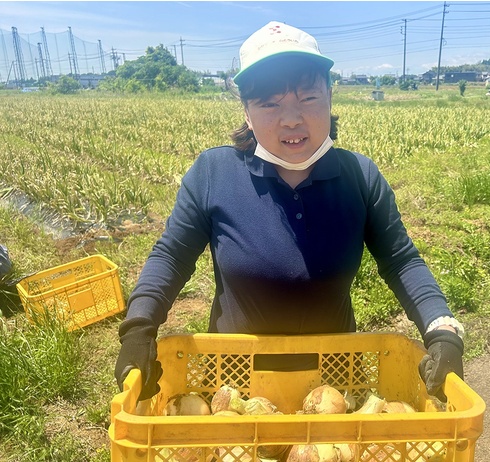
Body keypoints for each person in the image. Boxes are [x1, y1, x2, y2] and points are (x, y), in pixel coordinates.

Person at [115, 21, 464, 403]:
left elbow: (401, 261)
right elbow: (172, 254)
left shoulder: (359, 177)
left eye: (308, 98)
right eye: (270, 103)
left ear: (330, 98)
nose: (292, 118)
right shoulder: (214, 173)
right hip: (236, 387)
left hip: (335, 383)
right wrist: (139, 328)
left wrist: (442, 328)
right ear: (247, 112)